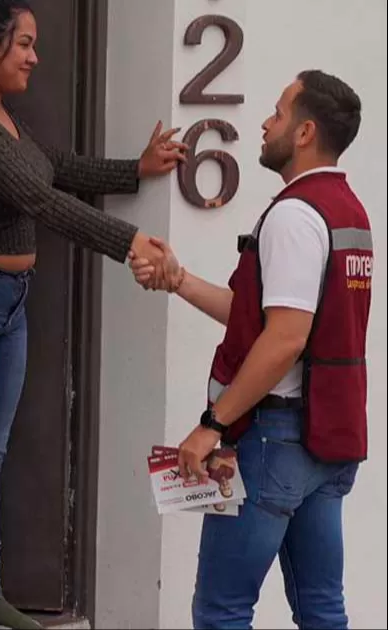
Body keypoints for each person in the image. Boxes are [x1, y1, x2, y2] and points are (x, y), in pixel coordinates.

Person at [0, 1, 186, 628]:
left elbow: (58, 169)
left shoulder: (8, 120)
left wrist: (136, 169)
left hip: (7, 305)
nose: (34, 56)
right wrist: (128, 241)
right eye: (23, 44)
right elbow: (34, 196)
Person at [130, 70, 371, 630]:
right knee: (321, 609)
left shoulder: (293, 215)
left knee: (221, 611)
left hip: (272, 442)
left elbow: (285, 338)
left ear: (305, 131)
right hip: (325, 441)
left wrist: (212, 424)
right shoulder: (348, 212)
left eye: (279, 113)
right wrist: (179, 279)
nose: (266, 123)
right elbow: (260, 317)